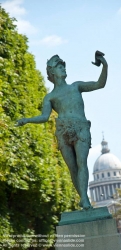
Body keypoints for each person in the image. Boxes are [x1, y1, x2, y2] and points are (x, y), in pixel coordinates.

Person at [16, 52, 108, 209]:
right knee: (72, 168)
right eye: (60, 67)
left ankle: (84, 200)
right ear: (53, 72)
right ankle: (83, 197)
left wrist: (104, 65)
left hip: (80, 128)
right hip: (63, 131)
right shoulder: (50, 97)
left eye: (63, 66)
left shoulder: (76, 86)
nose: (64, 69)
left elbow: (99, 84)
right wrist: (27, 120)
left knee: (81, 163)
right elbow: (45, 117)